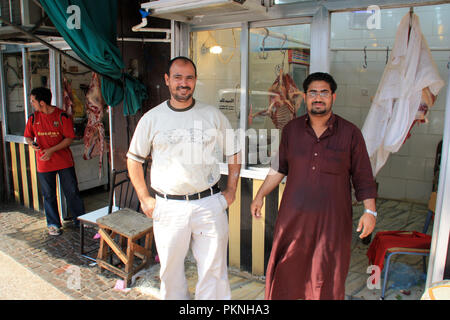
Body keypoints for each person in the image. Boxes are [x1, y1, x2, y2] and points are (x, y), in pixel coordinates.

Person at [250, 72, 377, 300]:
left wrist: (370, 211)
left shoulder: (350, 134)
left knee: (326, 276)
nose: (318, 97)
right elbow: (278, 169)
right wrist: (259, 196)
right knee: (286, 271)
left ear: (333, 97)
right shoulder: (292, 130)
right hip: (293, 220)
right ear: (305, 97)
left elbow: (363, 177)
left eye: (324, 92)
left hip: (332, 223)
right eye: (313, 93)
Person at [127, 56, 241, 300]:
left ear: (196, 80)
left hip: (209, 204)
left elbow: (234, 152)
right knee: (170, 273)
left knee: (214, 271)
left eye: (189, 77)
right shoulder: (152, 118)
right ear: (167, 80)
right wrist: (144, 198)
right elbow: (134, 159)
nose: (183, 83)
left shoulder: (212, 116)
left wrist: (231, 190)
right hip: (168, 206)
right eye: (177, 77)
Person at [24, 87, 85, 236]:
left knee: (71, 192)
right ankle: (53, 224)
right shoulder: (33, 118)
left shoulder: (62, 116)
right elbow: (28, 136)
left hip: (64, 162)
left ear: (42, 102)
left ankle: (81, 220)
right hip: (44, 163)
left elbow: (69, 139)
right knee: (48, 194)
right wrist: (32, 143)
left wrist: (51, 150)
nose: (32, 104)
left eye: (33, 101)